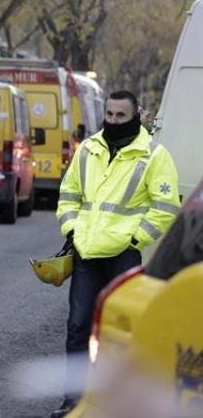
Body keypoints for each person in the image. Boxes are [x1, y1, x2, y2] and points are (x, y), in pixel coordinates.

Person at [51, 90, 180, 417]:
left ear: (136, 114)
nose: (113, 121)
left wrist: (135, 241)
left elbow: (165, 208)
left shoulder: (154, 155)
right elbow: (68, 196)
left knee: (121, 334)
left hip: (124, 257)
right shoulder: (88, 150)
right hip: (86, 254)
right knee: (78, 328)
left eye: (120, 116)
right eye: (109, 115)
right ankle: (73, 403)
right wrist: (72, 231)